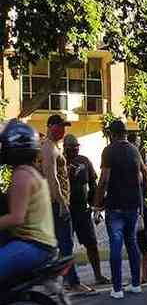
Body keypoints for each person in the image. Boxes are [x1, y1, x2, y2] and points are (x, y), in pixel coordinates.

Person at [39, 115, 95, 294]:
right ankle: (73, 282)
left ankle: (55, 280)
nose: (63, 130)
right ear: (50, 126)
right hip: (57, 203)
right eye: (59, 126)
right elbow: (51, 176)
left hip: (54, 202)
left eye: (64, 127)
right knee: (66, 244)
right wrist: (62, 202)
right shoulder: (48, 147)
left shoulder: (52, 147)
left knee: (57, 244)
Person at [0, 121, 60, 284]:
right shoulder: (30, 171)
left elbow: (16, 218)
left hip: (33, 246)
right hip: (40, 244)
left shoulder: (21, 175)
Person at [93, 120, 145, 299]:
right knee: (131, 242)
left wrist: (97, 204)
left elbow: (104, 180)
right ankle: (136, 284)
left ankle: (117, 289)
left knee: (116, 244)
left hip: (114, 205)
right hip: (132, 205)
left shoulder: (109, 151)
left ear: (112, 134)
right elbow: (143, 176)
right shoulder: (134, 150)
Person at [64, 134, 109, 285]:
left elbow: (93, 184)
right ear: (65, 148)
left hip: (83, 210)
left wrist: (96, 205)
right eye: (72, 148)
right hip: (66, 212)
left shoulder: (84, 161)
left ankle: (98, 275)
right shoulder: (59, 162)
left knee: (91, 243)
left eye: (77, 147)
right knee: (66, 247)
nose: (75, 150)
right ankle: (68, 279)